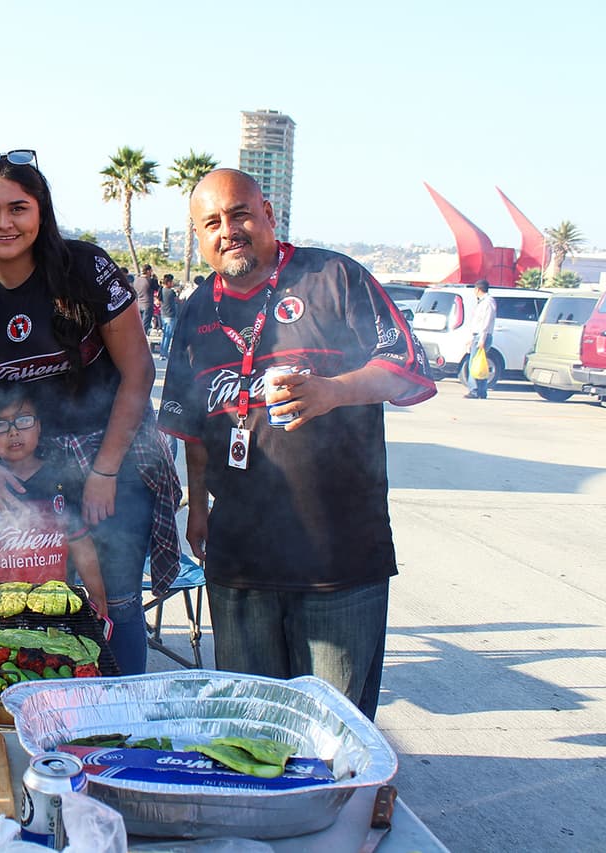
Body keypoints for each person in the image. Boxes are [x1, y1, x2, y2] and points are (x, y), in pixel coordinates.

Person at [158, 169, 436, 720]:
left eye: (239, 214)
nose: (228, 230)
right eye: (212, 222)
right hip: (238, 555)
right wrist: (196, 509)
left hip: (337, 553)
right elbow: (191, 423)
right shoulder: (195, 310)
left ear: (267, 213)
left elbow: (406, 369)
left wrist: (333, 391)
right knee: (252, 723)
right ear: (198, 238)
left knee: (334, 729)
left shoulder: (333, 277)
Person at [0, 150, 182, 675]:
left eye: (19, 207)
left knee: (117, 600)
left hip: (111, 456)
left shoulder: (84, 267)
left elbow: (139, 372)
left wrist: (104, 471)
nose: (5, 222)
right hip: (23, 462)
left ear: (42, 212)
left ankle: (118, 724)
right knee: (29, 601)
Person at [0, 382, 109, 618]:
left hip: (51, 606)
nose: (13, 432)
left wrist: (97, 595)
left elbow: (81, 544)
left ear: (39, 426)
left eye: (23, 420)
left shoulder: (62, 479)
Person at [465, 279, 497, 399]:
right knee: (479, 363)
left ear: (478, 289)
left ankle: (475, 390)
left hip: (482, 336)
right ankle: (481, 391)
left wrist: (482, 338)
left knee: (475, 364)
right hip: (477, 335)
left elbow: (486, 322)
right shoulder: (481, 302)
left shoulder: (488, 302)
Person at [159, 273, 179, 358]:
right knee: (168, 335)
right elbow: (178, 300)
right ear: (168, 282)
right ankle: (164, 353)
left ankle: (162, 352)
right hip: (170, 315)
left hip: (163, 314)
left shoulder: (161, 290)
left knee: (165, 335)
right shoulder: (171, 292)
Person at [135, 263, 158, 330]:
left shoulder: (136, 280)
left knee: (139, 325)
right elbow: (157, 288)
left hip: (139, 304)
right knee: (145, 326)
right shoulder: (149, 281)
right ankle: (141, 339)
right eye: (151, 271)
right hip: (147, 305)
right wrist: (155, 280)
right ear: (148, 271)